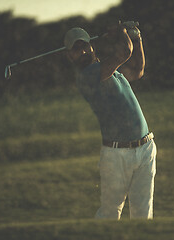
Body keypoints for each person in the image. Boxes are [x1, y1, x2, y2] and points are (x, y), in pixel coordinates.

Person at [64, 22, 157, 220]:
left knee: (143, 215)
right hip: (116, 155)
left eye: (83, 46)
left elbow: (138, 70)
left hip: (145, 148)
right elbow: (124, 52)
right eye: (75, 49)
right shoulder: (87, 76)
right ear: (69, 56)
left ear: (92, 47)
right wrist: (122, 33)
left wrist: (137, 38)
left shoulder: (111, 72)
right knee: (110, 215)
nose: (81, 51)